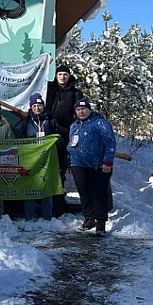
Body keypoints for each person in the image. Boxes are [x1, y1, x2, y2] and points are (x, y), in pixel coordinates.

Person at [68, 97, 116, 235]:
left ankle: (100, 222)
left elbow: (110, 143)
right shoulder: (74, 126)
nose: (81, 112)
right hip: (78, 165)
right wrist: (70, 161)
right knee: (84, 193)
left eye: (83, 109)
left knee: (98, 194)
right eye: (78, 109)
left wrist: (107, 162)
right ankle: (89, 218)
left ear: (89, 109)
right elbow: (71, 144)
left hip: (98, 165)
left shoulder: (100, 123)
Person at [46, 64, 84, 216]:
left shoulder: (75, 93)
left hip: (66, 134)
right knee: (48, 166)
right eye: (60, 74)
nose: (62, 77)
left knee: (62, 167)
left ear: (69, 76)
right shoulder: (49, 89)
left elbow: (80, 113)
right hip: (48, 133)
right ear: (56, 76)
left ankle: (59, 203)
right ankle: (47, 202)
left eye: (65, 74)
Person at [18, 93, 60, 221]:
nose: (37, 108)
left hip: (47, 160)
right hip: (31, 160)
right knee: (30, 187)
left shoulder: (51, 120)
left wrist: (57, 140)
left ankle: (47, 216)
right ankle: (29, 216)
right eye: (34, 106)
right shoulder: (26, 122)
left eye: (40, 105)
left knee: (46, 186)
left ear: (43, 106)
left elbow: (59, 138)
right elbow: (20, 139)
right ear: (31, 107)